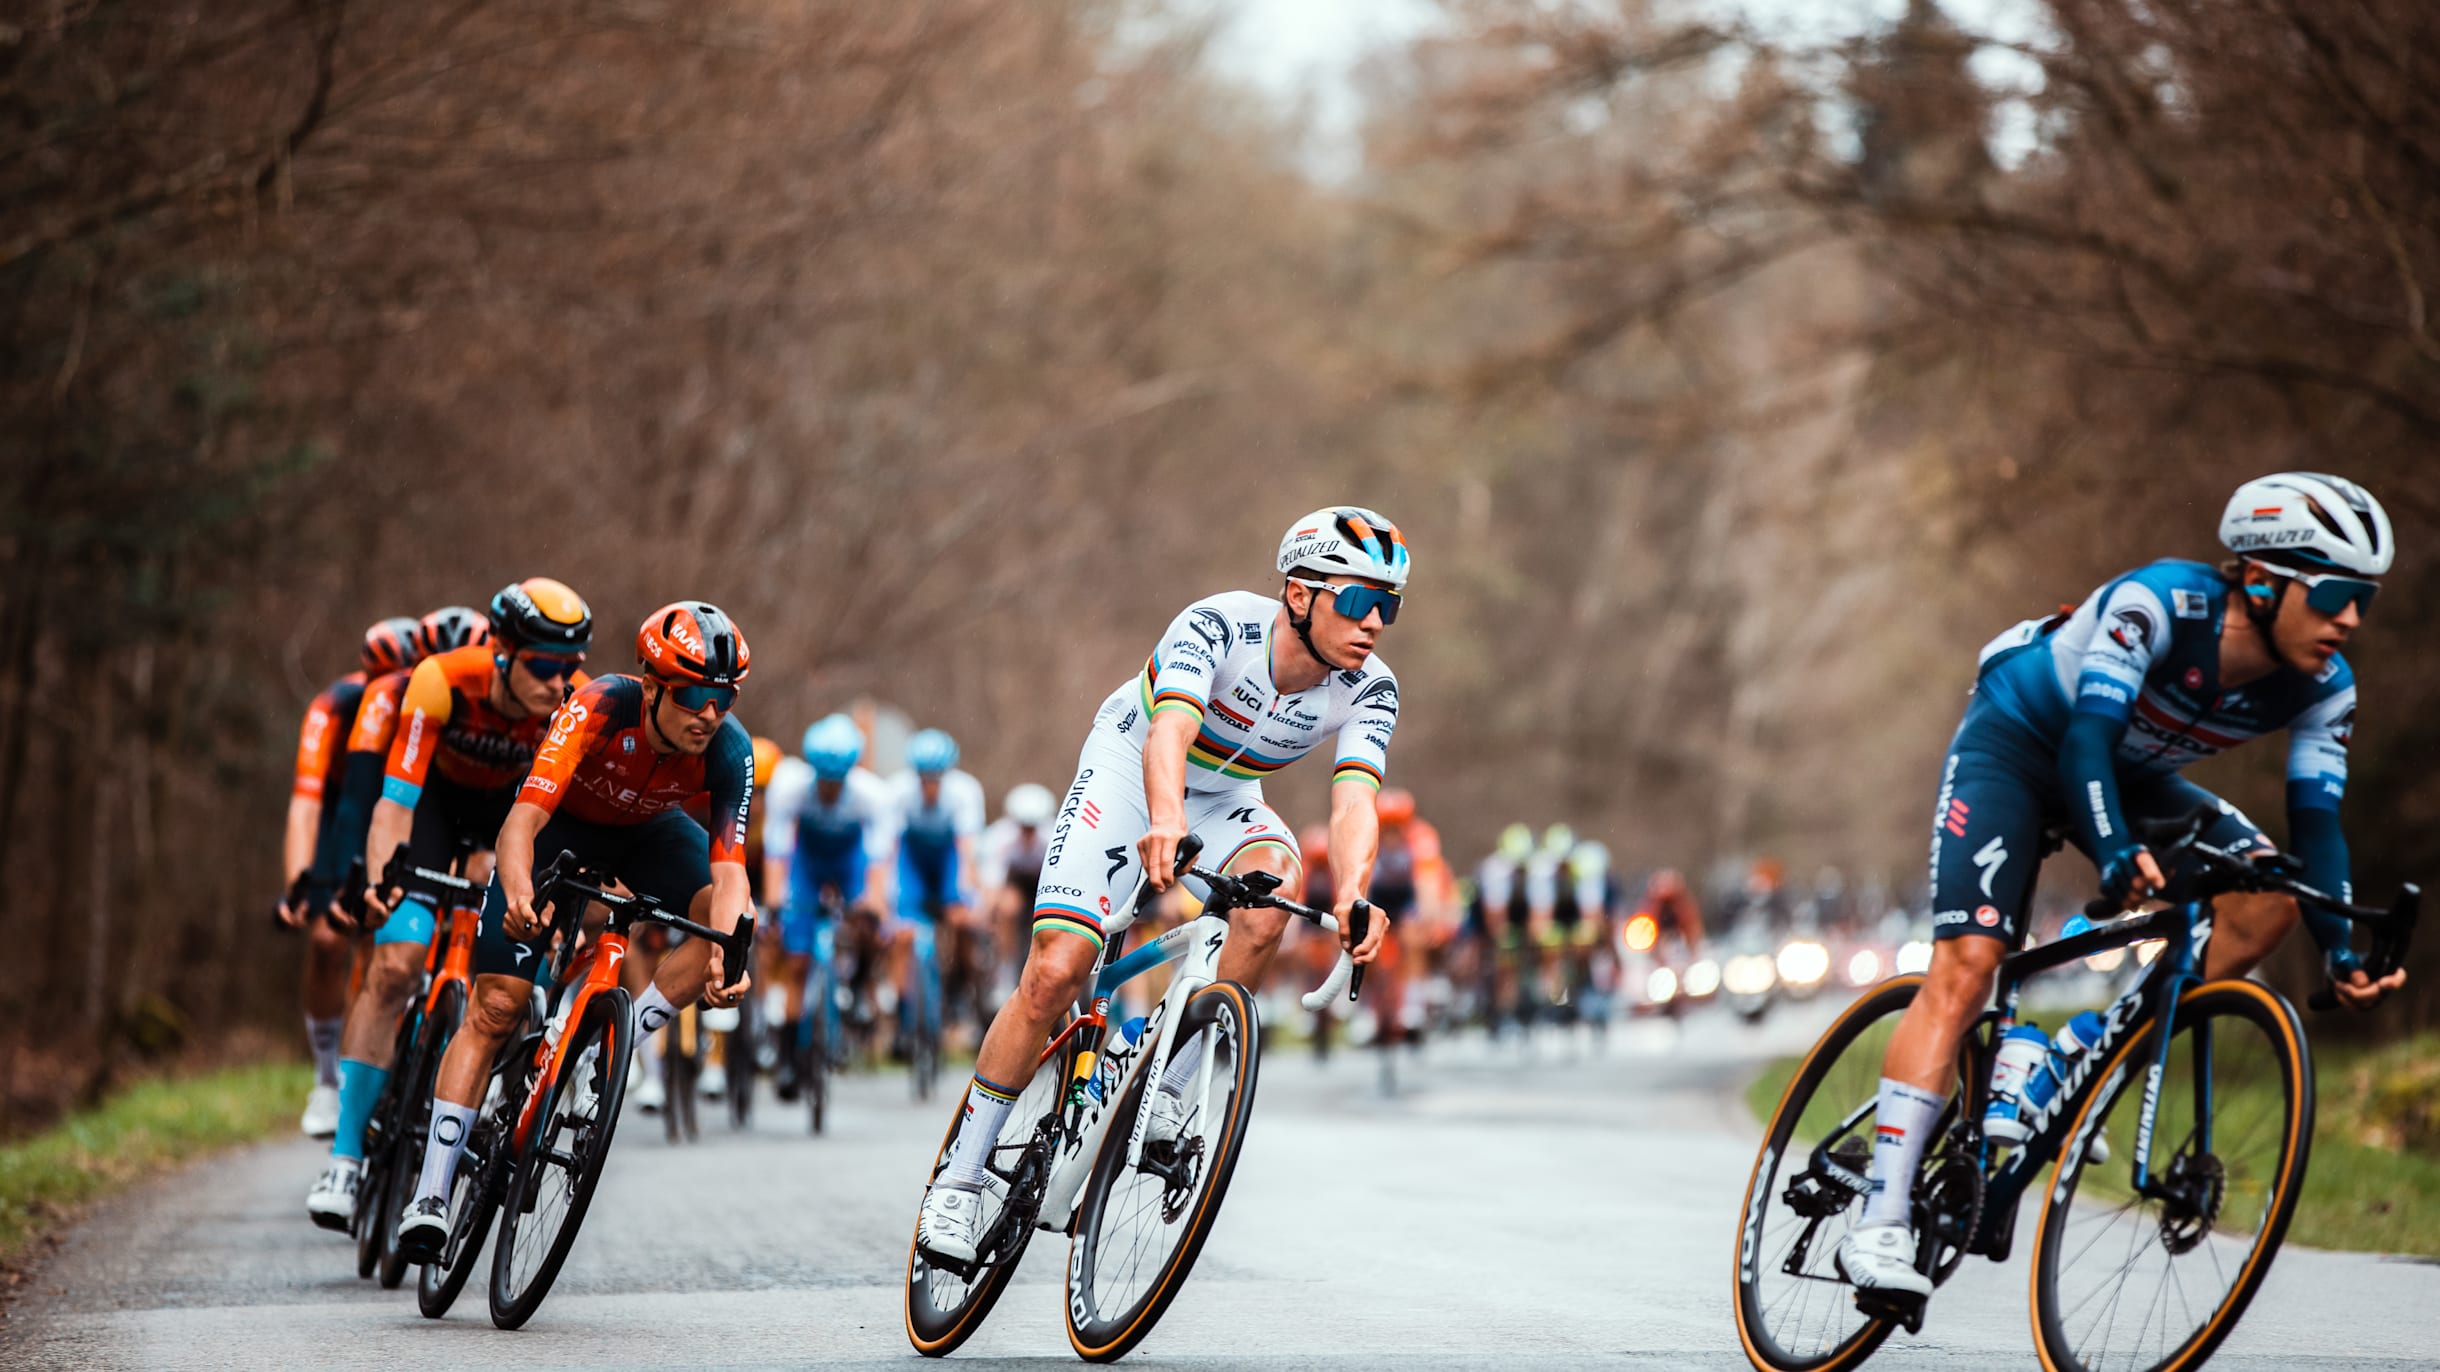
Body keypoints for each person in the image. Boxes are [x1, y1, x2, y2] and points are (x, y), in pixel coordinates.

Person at [1837, 473, 2407, 1304]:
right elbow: (2084, 746)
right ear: (2261, 579)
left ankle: (2071, 1057)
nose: (2350, 619)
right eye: (2335, 594)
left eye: (2366, 599)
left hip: (2135, 776)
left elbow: (2316, 827)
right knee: (1971, 964)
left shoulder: (2327, 686)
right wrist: (2111, 851)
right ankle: (1880, 1221)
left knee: (2270, 898)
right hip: (2024, 745)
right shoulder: (2159, 605)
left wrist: (2344, 953)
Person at [915, 505, 1406, 1264]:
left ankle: (1172, 1089)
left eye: (1389, 605)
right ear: (1300, 594)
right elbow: (1169, 732)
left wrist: (1351, 896)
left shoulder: (1371, 689)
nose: (1373, 621)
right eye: (1356, 599)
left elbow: (1353, 802)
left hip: (1231, 799)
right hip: (1131, 771)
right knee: (1053, 972)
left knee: (1274, 894)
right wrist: (1166, 819)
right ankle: (961, 1175)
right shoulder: (1218, 625)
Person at [396, 602, 757, 1258]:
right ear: (651, 685)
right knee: (498, 1004)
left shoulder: (730, 749)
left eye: (724, 698)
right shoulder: (598, 705)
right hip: (561, 825)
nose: (710, 713)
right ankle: (431, 1192)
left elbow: (731, 876)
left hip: (649, 833)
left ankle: (609, 1045)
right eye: (695, 694)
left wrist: (729, 960)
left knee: (715, 919)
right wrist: (514, 893)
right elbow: (521, 824)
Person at [303, 579, 590, 1226]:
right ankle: (345, 1163)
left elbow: (563, 818)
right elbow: (393, 804)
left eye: (571, 666)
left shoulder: (574, 702)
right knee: (397, 964)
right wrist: (382, 882)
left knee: (519, 972)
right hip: (432, 805)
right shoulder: (440, 680)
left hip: (510, 818)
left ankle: (487, 1102)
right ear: (503, 651)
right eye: (545, 666)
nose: (559, 681)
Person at [299, 608, 483, 1225]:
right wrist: (344, 882)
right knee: (388, 962)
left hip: (479, 818)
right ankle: (344, 1141)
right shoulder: (384, 697)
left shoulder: (504, 700)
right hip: (408, 809)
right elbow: (359, 802)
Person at [281, 616, 423, 1139]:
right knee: (326, 940)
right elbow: (306, 803)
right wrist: (300, 881)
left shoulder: (435, 704)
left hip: (412, 805)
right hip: (347, 810)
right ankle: (326, 1078)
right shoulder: (333, 706)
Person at [760, 712, 896, 1096]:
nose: (830, 788)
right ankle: (787, 1059)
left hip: (850, 863)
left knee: (870, 925)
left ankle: (855, 985)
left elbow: (879, 859)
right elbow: (777, 852)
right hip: (807, 866)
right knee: (797, 962)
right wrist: (774, 901)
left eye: (837, 781)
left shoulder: (871, 795)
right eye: (824, 779)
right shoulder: (791, 789)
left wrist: (874, 904)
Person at [889, 729, 986, 1054]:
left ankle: (957, 989)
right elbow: (890, 852)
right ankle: (904, 1020)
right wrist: (891, 903)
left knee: (960, 921)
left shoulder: (965, 792)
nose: (930, 785)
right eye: (924, 778)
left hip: (948, 860)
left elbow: (967, 851)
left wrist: (966, 897)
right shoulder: (899, 792)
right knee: (902, 935)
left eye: (936, 778)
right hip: (912, 862)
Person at [976, 783, 1055, 1004]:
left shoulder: (1053, 836)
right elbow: (992, 884)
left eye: (1033, 827)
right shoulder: (999, 838)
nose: (1028, 833)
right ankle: (1005, 971)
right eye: (1023, 826)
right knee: (1007, 907)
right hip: (1016, 885)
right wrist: (988, 916)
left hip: (1044, 885)